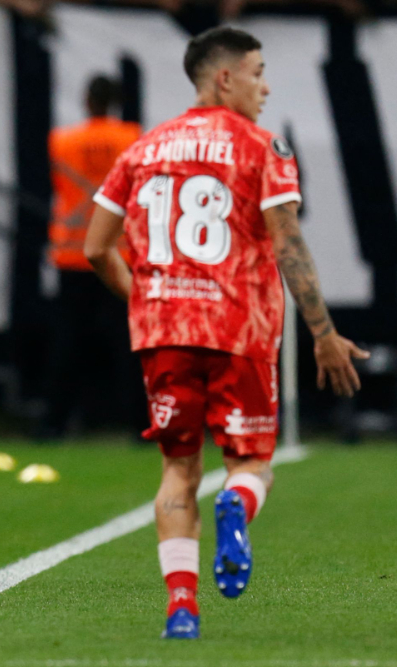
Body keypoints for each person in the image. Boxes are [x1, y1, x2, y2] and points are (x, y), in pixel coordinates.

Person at [84, 27, 369, 638]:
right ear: (225, 78)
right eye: (258, 72)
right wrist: (324, 333)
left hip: (164, 332)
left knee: (178, 468)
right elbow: (288, 242)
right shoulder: (264, 147)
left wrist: (148, 302)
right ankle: (236, 504)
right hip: (239, 329)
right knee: (251, 463)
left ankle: (182, 610)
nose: (265, 87)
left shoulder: (143, 149)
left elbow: (94, 249)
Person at [41, 75, 141, 438]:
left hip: (72, 252)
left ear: (86, 100)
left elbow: (58, 186)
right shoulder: (131, 139)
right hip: (118, 252)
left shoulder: (62, 141)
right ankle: (140, 424)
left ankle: (54, 423)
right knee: (128, 342)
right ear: (115, 101)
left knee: (68, 342)